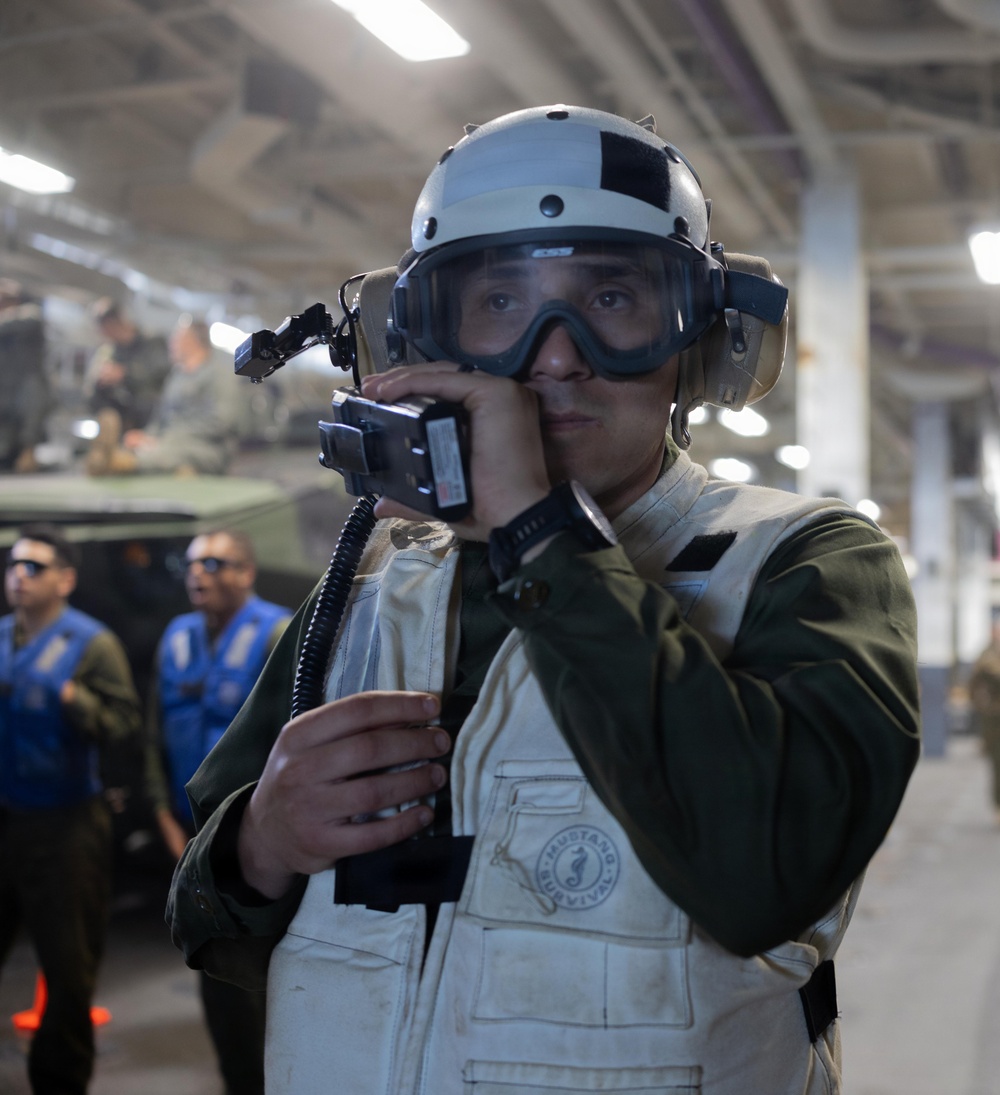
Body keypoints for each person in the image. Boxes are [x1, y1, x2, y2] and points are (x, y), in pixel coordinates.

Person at [166, 105, 921, 1093]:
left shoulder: (805, 561)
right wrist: (259, 842)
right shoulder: (367, 592)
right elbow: (202, 915)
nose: (555, 355)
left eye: (612, 297)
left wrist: (536, 525)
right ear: (417, 336)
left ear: (700, 338)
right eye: (498, 302)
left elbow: (763, 882)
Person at [145, 528, 291, 1095]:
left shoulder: (277, 632)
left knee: (263, 970)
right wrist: (160, 811)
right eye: (191, 563)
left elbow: (291, 738)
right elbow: (155, 729)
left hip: (253, 834)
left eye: (213, 562)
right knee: (212, 960)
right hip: (188, 828)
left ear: (246, 572)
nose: (197, 573)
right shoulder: (176, 636)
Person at [0, 523, 141, 1095]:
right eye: (14, 565)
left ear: (65, 579)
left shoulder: (91, 643)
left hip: (67, 826)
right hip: (6, 818)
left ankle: (59, 1083)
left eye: (34, 567)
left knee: (68, 967)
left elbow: (125, 723)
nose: (19, 576)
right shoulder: (2, 637)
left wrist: (76, 701)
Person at [86, 315, 238, 476]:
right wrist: (146, 436)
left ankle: (119, 463)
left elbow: (223, 421)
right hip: (168, 442)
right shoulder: (176, 377)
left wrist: (168, 438)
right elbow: (161, 418)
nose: (171, 344)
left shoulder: (220, 375)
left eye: (176, 339)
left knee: (166, 453)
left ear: (192, 341)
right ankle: (114, 459)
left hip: (205, 447)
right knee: (139, 447)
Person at [83, 298, 170, 433]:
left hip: (148, 418)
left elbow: (160, 374)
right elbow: (90, 391)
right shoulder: (108, 351)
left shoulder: (152, 343)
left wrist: (125, 374)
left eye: (108, 325)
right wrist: (101, 380)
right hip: (119, 419)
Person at [0, 279, 51, 473]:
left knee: (32, 401)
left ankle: (28, 452)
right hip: (5, 390)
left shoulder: (30, 315)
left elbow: (24, 320)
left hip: (29, 385)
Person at [968, 624, 1000, 822]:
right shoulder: (986, 657)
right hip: (994, 721)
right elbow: (975, 686)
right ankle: (998, 807)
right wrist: (982, 706)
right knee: (998, 764)